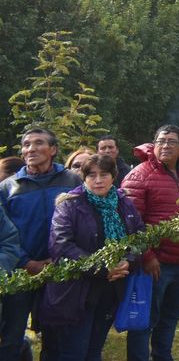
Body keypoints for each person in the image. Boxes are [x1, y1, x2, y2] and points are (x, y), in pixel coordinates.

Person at [39, 154, 145, 361]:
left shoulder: (123, 203)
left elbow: (140, 237)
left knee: (94, 350)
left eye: (104, 174)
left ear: (113, 176)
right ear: (83, 177)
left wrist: (129, 262)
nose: (98, 180)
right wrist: (105, 268)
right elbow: (61, 246)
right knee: (74, 352)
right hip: (77, 292)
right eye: (92, 175)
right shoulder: (69, 204)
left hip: (111, 290)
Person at [120, 125, 179, 361]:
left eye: (172, 142)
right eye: (161, 141)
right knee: (145, 320)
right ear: (153, 144)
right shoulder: (139, 175)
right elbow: (129, 223)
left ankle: (162, 356)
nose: (165, 146)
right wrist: (147, 256)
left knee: (170, 317)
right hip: (155, 265)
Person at [0, 128, 81, 361]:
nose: (30, 149)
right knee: (12, 334)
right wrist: (27, 262)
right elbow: (4, 235)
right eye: (26, 144)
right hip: (20, 272)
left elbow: (81, 222)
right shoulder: (8, 187)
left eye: (38, 143)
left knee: (55, 335)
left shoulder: (71, 180)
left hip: (61, 271)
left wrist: (63, 260)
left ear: (53, 150)